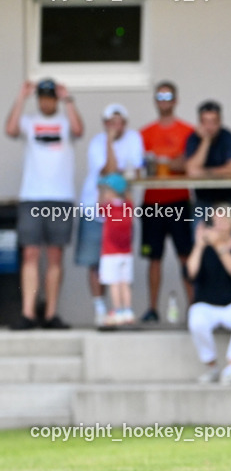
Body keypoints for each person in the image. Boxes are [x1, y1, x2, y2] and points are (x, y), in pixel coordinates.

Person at [5, 79, 82, 329]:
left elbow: (79, 130)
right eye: (43, 97)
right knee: (30, 253)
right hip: (32, 196)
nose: (46, 101)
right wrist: (21, 96)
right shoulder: (28, 121)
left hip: (60, 197)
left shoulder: (64, 122)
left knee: (55, 255)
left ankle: (50, 314)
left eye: (50, 97)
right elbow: (10, 129)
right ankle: (28, 312)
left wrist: (67, 98)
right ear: (38, 99)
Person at [76, 103, 145, 326]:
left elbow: (134, 170)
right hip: (93, 210)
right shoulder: (97, 142)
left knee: (120, 263)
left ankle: (122, 309)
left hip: (121, 213)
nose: (116, 126)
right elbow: (109, 169)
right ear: (104, 124)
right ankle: (100, 309)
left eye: (120, 122)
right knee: (95, 262)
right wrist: (109, 139)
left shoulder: (134, 138)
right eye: (111, 122)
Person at [139, 81, 195, 322]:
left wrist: (163, 162)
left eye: (168, 96)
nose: (164, 100)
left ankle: (194, 308)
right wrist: (171, 162)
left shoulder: (187, 131)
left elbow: (188, 165)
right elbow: (142, 167)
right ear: (155, 100)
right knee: (154, 258)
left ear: (175, 100)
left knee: (186, 256)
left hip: (179, 200)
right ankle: (152, 309)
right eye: (159, 96)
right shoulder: (144, 133)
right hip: (152, 202)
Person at [186, 205, 231, 385]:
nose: (218, 225)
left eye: (223, 220)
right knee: (196, 320)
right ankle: (212, 367)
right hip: (206, 304)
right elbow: (190, 274)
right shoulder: (203, 248)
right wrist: (199, 246)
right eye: (215, 221)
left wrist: (219, 246)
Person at [185, 100, 231, 210]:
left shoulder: (227, 136)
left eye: (213, 121)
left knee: (229, 226)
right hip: (203, 198)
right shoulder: (193, 138)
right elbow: (192, 171)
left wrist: (205, 172)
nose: (209, 126)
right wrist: (206, 140)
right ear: (199, 123)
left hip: (229, 197)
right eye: (205, 121)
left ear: (220, 121)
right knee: (199, 226)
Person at [97, 173, 135, 325]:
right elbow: (129, 199)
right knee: (124, 283)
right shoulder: (128, 207)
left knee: (115, 283)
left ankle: (118, 310)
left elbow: (99, 207)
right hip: (126, 254)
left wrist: (101, 193)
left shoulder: (108, 207)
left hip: (110, 253)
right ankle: (128, 311)